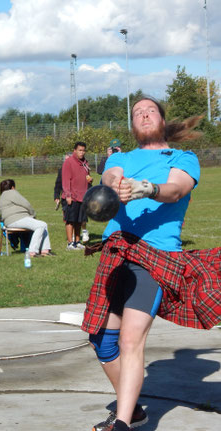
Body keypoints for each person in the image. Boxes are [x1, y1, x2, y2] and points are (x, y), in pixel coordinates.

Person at [83, 96, 212, 431]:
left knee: (130, 340)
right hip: (117, 251)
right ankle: (135, 410)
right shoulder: (121, 157)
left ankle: (124, 424)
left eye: (149, 110)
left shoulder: (183, 157)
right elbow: (110, 177)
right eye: (137, 112)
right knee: (102, 341)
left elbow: (176, 190)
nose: (143, 114)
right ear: (133, 124)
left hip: (155, 257)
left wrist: (148, 188)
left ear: (161, 119)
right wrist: (117, 185)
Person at [0, 179, 53, 257]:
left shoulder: (2, 196)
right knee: (41, 225)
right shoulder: (12, 193)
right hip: (17, 219)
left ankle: (45, 250)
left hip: (10, 221)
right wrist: (33, 214)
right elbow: (26, 204)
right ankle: (32, 251)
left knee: (43, 225)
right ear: (13, 187)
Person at [61, 141, 92, 250]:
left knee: (79, 220)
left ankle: (77, 241)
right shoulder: (68, 162)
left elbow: (87, 177)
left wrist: (90, 180)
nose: (82, 153)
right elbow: (65, 180)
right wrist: (68, 195)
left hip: (82, 196)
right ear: (74, 151)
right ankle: (70, 243)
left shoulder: (85, 163)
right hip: (72, 197)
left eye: (83, 150)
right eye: (79, 150)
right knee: (70, 220)